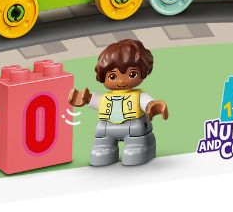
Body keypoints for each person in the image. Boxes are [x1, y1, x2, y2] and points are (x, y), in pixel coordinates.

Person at [68, 38, 168, 167]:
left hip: (134, 128)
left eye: (132, 74)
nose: (121, 81)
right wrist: (85, 98)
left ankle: (139, 147)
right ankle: (104, 148)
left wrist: (152, 106)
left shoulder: (138, 96)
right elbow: (95, 100)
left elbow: (147, 102)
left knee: (134, 149)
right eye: (113, 76)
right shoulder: (105, 97)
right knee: (101, 147)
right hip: (106, 128)